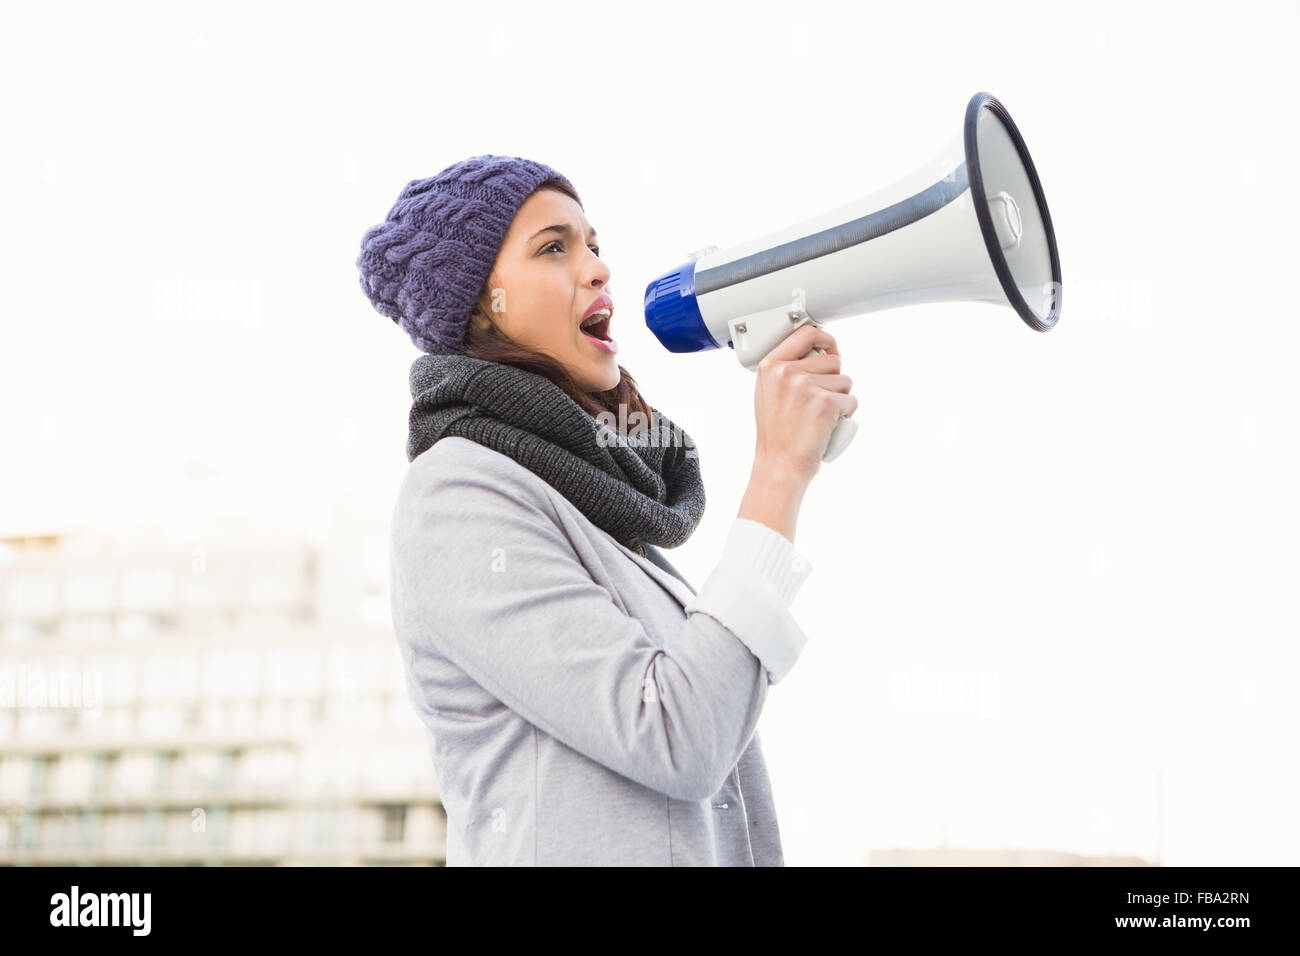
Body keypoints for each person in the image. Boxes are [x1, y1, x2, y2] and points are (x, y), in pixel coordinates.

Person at [356, 154, 856, 866]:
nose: (596, 269)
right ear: (476, 308)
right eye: (553, 248)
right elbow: (677, 737)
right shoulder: (458, 494)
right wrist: (779, 472)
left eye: (594, 245)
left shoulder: (598, 517)